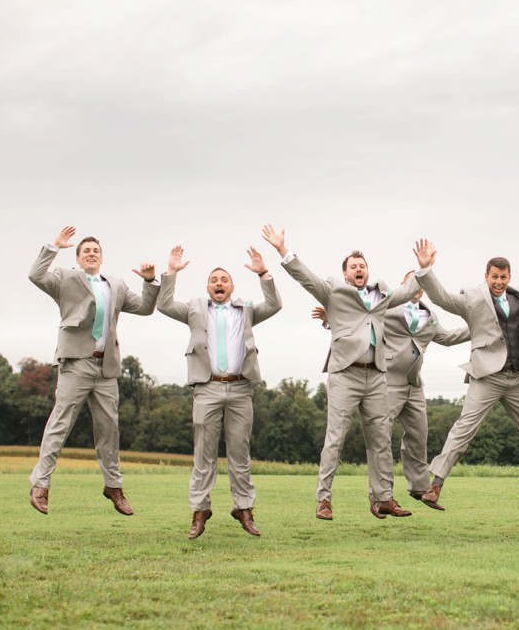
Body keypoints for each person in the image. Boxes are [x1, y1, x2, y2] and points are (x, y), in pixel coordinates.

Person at [262, 224, 422, 521]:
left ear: (367, 271)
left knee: (381, 440)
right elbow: (305, 277)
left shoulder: (382, 296)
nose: (359, 269)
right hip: (344, 375)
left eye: (363, 266)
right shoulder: (334, 290)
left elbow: (408, 291)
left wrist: (424, 269)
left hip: (376, 376)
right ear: (346, 273)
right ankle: (324, 499)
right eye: (354, 266)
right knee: (335, 439)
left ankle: (383, 498)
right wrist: (282, 250)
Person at [411, 239, 519, 512]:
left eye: (503, 277)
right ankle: (436, 485)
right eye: (494, 277)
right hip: (487, 377)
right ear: (486, 276)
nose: (498, 281)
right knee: (463, 429)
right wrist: (425, 270)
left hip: (517, 378)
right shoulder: (473, 299)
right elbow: (443, 299)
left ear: (509, 277)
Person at [312, 271, 469, 513]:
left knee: (419, 435)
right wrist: (329, 320)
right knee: (380, 440)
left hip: (414, 384)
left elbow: (447, 338)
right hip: (386, 382)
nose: (416, 287)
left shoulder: (430, 316)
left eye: (420, 284)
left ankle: (418, 486)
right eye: (411, 282)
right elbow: (360, 323)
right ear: (403, 285)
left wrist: (476, 328)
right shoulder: (388, 308)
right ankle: (379, 496)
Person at [28, 226, 158, 515]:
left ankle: (113, 486)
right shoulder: (65, 278)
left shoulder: (117, 285)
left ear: (102, 258)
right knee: (61, 423)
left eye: (95, 250)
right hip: (76, 362)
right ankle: (40, 484)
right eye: (85, 250)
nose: (91, 253)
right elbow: (36, 275)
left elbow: (147, 308)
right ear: (77, 258)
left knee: (109, 429)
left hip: (106, 367)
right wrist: (54, 246)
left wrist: (150, 281)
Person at [156, 245, 282, 538]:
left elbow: (275, 305)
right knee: (204, 454)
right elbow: (163, 305)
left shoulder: (246, 309)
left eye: (224, 279)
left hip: (240, 389)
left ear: (232, 287)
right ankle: (200, 511)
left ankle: (244, 509)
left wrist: (263, 272)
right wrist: (171, 272)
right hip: (207, 388)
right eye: (214, 280)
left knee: (240, 454)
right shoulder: (195, 309)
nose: (219, 284)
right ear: (207, 287)